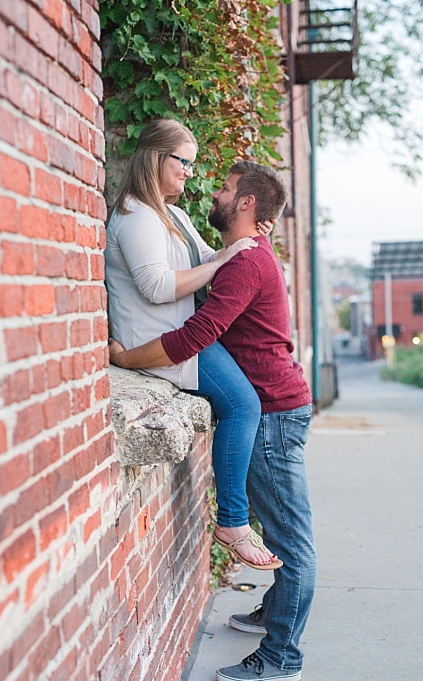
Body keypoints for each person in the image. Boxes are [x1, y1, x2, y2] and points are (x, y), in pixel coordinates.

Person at [109, 160, 315, 681]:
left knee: (292, 545)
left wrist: (129, 360)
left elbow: (197, 334)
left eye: (225, 188)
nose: (216, 193)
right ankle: (273, 614)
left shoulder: (247, 263)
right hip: (272, 408)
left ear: (247, 203)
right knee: (283, 531)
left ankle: (281, 658)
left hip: (272, 412)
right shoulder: (241, 255)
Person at [105, 119, 280, 570]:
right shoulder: (133, 215)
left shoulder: (170, 212)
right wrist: (226, 257)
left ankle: (241, 516)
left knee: (245, 405)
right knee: (243, 406)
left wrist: (247, 243)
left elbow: (207, 256)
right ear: (157, 158)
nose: (189, 172)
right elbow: (158, 286)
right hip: (157, 341)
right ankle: (234, 522)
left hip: (183, 333)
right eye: (183, 162)